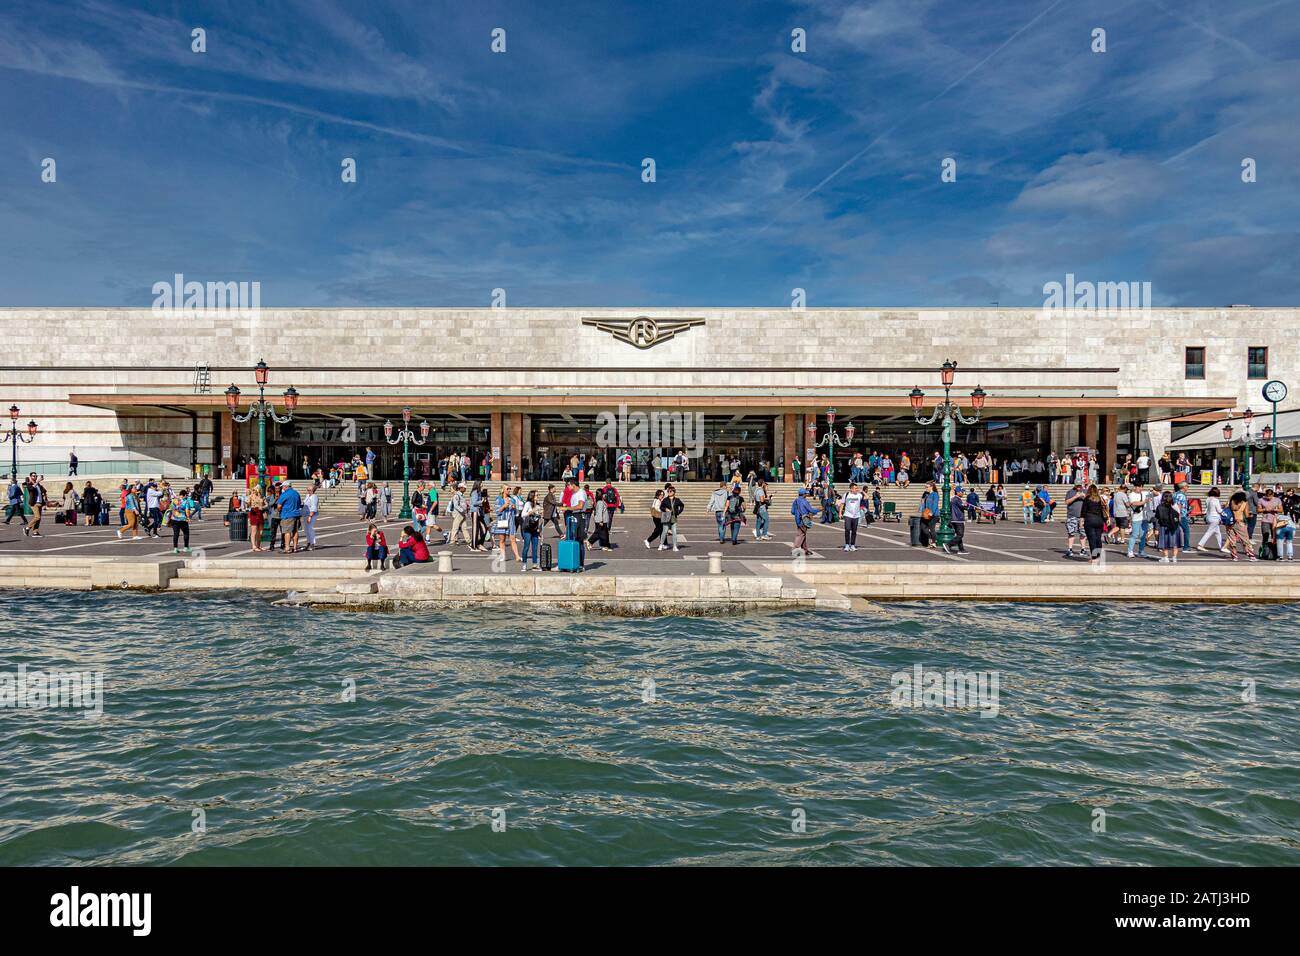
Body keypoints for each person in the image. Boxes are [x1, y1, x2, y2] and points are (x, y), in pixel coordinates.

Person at [1224, 491, 1256, 561]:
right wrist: (1250, 515)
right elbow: (1247, 515)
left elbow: (1225, 510)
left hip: (1229, 522)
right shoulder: (1244, 503)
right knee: (1245, 539)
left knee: (1232, 539)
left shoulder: (1230, 501)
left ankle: (1234, 555)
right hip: (1239, 522)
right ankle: (1251, 554)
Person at [1080, 484, 1107, 562]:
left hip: (1090, 519)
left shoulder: (1087, 498)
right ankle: (1098, 556)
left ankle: (1094, 557)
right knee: (1098, 539)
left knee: (1092, 539)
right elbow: (1102, 510)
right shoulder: (1099, 498)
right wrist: (1104, 520)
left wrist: (1081, 521)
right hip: (1099, 520)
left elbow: (1083, 511)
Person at [1154, 490, 1181, 563]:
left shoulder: (1159, 507)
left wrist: (1156, 528)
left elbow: (1157, 518)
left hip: (1164, 526)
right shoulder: (1175, 505)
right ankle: (1174, 558)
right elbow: (1179, 517)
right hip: (1174, 526)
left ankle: (1166, 557)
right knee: (1175, 543)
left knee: (1165, 543)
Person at [791, 487, 819, 556]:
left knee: (803, 534)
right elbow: (811, 510)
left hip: (798, 520)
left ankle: (805, 549)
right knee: (801, 535)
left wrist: (797, 514)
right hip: (803, 520)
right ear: (803, 494)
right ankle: (795, 550)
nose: (806, 494)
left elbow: (792, 511)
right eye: (806, 493)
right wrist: (819, 509)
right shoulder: (805, 502)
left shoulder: (796, 501)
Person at [277, 480, 304, 553]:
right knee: (295, 531)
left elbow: (279, 506)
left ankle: (287, 548)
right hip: (296, 514)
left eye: (282, 487)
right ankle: (295, 547)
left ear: (285, 487)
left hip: (287, 515)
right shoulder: (296, 493)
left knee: (287, 532)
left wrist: (279, 510)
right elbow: (299, 504)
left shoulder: (284, 494)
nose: (282, 488)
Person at [168, 487, 196, 553]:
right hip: (182, 519)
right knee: (186, 533)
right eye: (186, 495)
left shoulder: (174, 500)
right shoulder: (186, 501)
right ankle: (186, 547)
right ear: (184, 495)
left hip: (174, 519)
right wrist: (188, 518)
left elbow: (170, 508)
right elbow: (187, 511)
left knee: (176, 534)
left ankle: (175, 548)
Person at [520, 491, 542, 570]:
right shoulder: (528, 504)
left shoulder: (538, 505)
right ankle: (524, 564)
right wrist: (532, 511)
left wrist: (539, 514)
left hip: (535, 528)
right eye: (536, 495)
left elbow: (537, 517)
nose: (538, 496)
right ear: (532, 496)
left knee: (535, 547)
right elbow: (523, 515)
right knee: (526, 546)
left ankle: (535, 564)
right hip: (527, 528)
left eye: (538, 495)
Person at [658, 485, 683, 551]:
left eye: (670, 491)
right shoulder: (665, 500)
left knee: (674, 531)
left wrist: (678, 512)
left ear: (674, 492)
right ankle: (661, 544)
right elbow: (661, 507)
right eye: (668, 491)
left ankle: (675, 546)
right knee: (665, 531)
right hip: (666, 516)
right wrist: (665, 509)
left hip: (673, 517)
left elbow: (682, 505)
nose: (668, 492)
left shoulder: (677, 500)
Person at [841, 482, 864, 552]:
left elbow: (867, 497)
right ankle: (847, 545)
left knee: (854, 531)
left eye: (857, 488)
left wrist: (862, 491)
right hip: (848, 514)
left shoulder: (859, 495)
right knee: (847, 529)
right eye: (855, 488)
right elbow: (842, 504)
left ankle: (853, 545)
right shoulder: (846, 495)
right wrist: (840, 513)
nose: (856, 489)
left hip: (856, 515)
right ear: (851, 489)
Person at [303, 484, 319, 550]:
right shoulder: (307, 496)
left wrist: (310, 516)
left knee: (310, 528)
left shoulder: (314, 496)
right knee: (306, 529)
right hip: (305, 514)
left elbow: (314, 507)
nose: (308, 491)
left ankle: (312, 543)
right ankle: (308, 542)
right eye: (307, 490)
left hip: (312, 514)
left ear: (313, 490)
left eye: (310, 490)